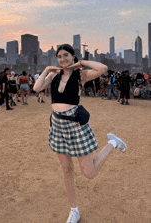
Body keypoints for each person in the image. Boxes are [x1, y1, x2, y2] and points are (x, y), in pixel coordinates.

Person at [33, 44, 127, 223]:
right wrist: (46, 69)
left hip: (75, 126)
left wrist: (80, 63)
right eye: (59, 56)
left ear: (72, 56)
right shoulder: (53, 75)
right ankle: (74, 210)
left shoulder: (80, 76)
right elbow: (37, 88)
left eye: (66, 55)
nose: (62, 59)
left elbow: (103, 68)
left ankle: (112, 143)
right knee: (66, 169)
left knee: (89, 173)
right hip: (57, 125)